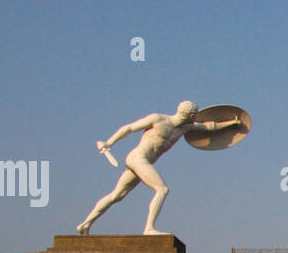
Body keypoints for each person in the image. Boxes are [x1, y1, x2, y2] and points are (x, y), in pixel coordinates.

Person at [77, 101, 241, 236]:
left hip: (144, 162)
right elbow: (129, 128)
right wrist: (109, 143)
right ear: (190, 116)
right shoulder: (158, 119)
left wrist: (233, 123)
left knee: (117, 195)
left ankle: (85, 224)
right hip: (138, 158)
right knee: (162, 189)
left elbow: (209, 127)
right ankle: (149, 228)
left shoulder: (185, 128)